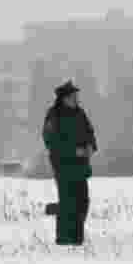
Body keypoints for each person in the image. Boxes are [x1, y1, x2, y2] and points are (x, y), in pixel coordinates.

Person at [42, 80, 97, 246]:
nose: (76, 99)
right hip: (63, 165)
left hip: (81, 166)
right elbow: (50, 140)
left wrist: (91, 146)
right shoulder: (54, 115)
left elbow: (90, 132)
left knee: (83, 201)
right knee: (68, 202)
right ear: (64, 98)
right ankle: (65, 239)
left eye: (76, 96)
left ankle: (76, 237)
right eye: (73, 96)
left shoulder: (80, 113)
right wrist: (72, 151)